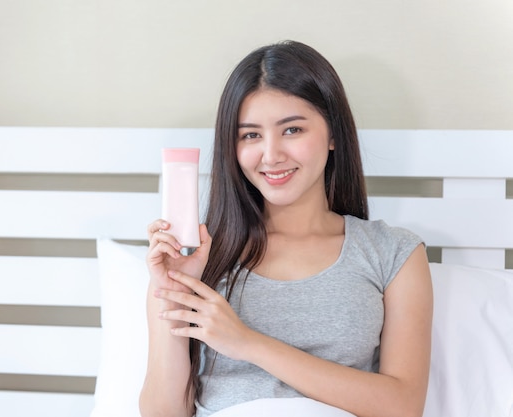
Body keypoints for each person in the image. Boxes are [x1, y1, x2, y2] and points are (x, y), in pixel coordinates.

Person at [139, 40, 433, 417]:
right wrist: (172, 293)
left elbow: (403, 406)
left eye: (292, 130)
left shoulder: (393, 253)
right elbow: (163, 413)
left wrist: (248, 343)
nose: (271, 154)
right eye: (250, 135)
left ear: (332, 136)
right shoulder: (199, 257)